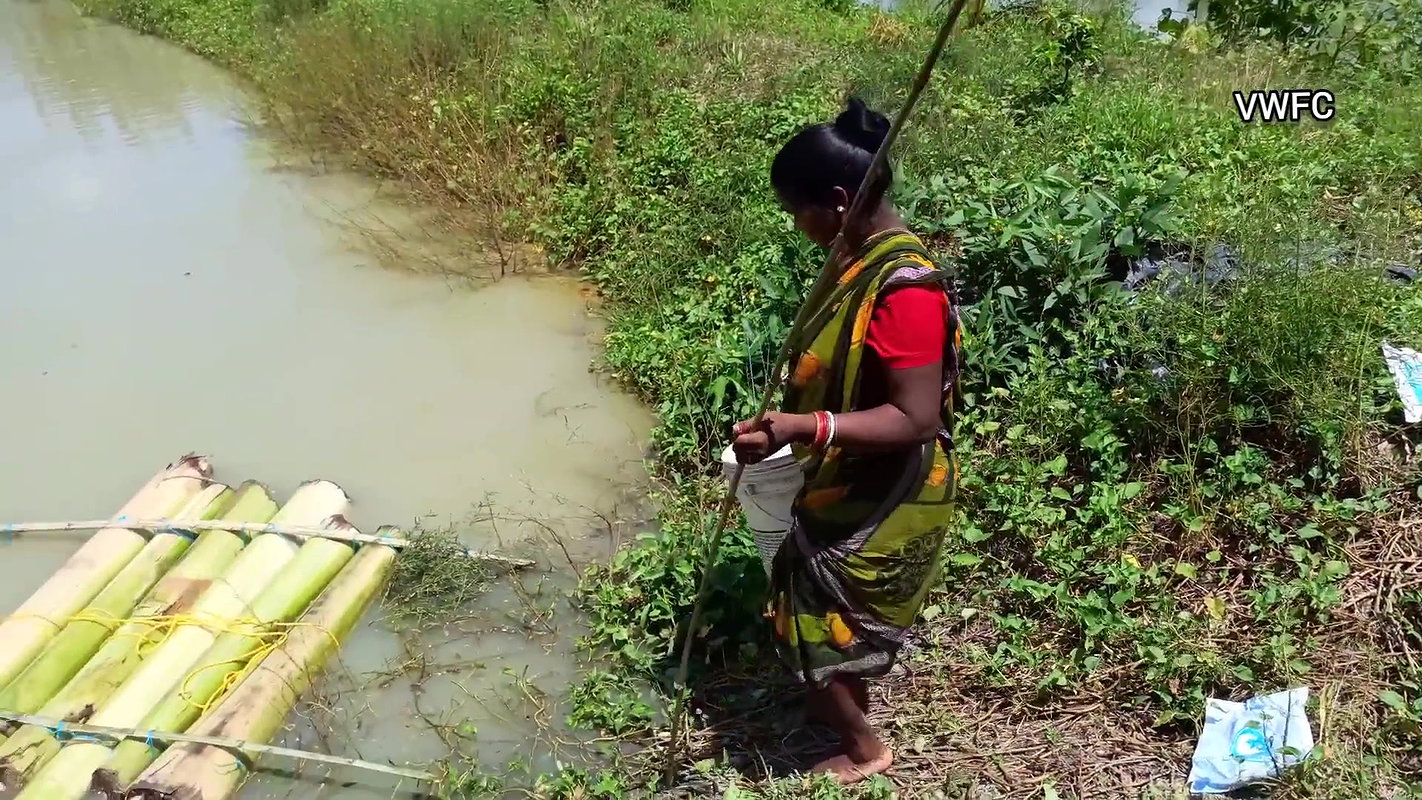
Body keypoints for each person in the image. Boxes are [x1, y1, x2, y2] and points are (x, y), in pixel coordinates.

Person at [730, 96, 962, 784]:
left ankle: (865, 748)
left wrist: (806, 426)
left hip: (889, 487)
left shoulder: (904, 291)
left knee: (801, 608)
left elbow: (915, 419)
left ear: (837, 201)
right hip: (847, 474)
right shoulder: (856, 261)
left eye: (796, 212)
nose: (796, 227)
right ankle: (837, 697)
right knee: (810, 594)